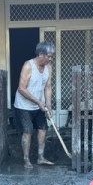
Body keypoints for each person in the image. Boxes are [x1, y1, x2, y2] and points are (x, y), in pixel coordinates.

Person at [14, 41, 55, 169]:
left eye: (51, 56)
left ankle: (40, 157)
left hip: (39, 105)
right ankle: (26, 159)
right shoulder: (28, 66)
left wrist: (48, 105)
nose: (50, 59)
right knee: (28, 131)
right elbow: (21, 88)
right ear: (41, 54)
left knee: (43, 129)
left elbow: (48, 87)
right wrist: (38, 102)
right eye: (48, 56)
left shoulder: (48, 67)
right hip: (23, 106)